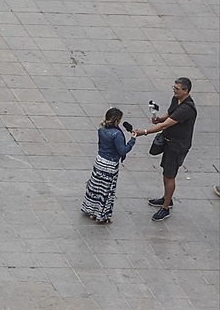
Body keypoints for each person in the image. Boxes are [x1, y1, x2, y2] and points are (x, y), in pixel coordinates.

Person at [135, 78, 196, 221]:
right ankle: (166, 198)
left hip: (177, 146)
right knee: (166, 172)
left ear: (185, 91)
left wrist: (144, 131)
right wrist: (160, 119)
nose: (174, 90)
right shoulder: (176, 99)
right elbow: (170, 115)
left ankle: (165, 207)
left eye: (177, 88)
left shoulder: (187, 109)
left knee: (170, 175)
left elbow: (166, 125)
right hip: (169, 142)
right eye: (173, 87)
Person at [78, 108, 136, 222]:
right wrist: (132, 141)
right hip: (110, 165)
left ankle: (91, 210)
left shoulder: (102, 130)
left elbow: (100, 145)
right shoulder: (117, 134)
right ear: (117, 120)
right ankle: (101, 214)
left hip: (100, 161)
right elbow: (122, 151)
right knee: (106, 190)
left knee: (95, 187)